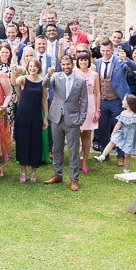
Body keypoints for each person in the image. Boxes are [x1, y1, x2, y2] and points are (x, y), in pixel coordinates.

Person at [42, 55, 89, 191]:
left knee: (73, 151)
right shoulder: (56, 76)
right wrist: (48, 74)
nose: (66, 67)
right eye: (63, 64)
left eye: (68, 64)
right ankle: (57, 175)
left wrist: (81, 119)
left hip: (73, 120)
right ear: (60, 65)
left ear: (72, 64)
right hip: (56, 118)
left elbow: (84, 101)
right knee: (57, 148)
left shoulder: (80, 81)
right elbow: (45, 85)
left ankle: (74, 179)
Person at [94, 39, 136, 165]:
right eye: (103, 51)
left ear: (112, 50)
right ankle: (104, 153)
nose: (105, 53)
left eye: (107, 51)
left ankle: (121, 155)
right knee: (102, 128)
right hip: (102, 100)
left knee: (118, 127)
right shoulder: (97, 62)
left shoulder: (118, 60)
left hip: (116, 100)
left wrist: (126, 59)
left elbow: (133, 68)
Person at [9, 54, 47, 183]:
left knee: (36, 142)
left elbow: (44, 101)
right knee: (23, 142)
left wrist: (46, 117)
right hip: (23, 115)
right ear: (27, 67)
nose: (32, 68)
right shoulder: (23, 79)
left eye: (35, 66)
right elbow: (14, 82)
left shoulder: (42, 81)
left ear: (38, 68)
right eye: (30, 66)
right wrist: (14, 71)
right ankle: (23, 172)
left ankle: (34, 172)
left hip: (36, 115)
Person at [94, 95, 136, 172]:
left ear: (129, 103)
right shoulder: (123, 113)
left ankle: (126, 169)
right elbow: (118, 124)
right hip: (122, 132)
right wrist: (113, 134)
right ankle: (102, 156)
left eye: (124, 100)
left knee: (127, 154)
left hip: (131, 136)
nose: (122, 101)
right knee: (112, 142)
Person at [73, 52, 100, 173]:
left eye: (85, 60)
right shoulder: (73, 73)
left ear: (89, 61)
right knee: (75, 133)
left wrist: (97, 110)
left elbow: (97, 93)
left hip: (89, 104)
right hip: (76, 104)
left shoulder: (94, 75)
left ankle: (85, 159)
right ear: (77, 62)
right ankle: (75, 158)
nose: (83, 62)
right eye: (81, 60)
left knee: (87, 133)